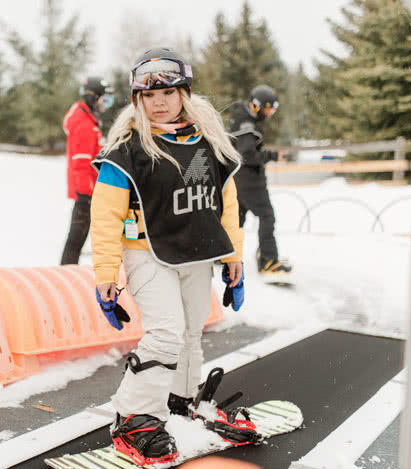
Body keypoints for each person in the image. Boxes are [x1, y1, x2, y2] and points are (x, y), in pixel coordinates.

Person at [90, 47, 246, 466]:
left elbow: (225, 205)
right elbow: (104, 218)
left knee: (192, 332)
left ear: (185, 93)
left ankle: (179, 404)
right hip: (148, 254)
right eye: (148, 95)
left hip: (197, 252)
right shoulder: (127, 151)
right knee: (165, 334)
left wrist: (235, 258)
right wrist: (105, 274)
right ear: (136, 100)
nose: (159, 102)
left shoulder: (210, 144)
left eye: (168, 93)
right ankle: (134, 420)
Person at [229, 85, 292, 276]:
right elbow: (247, 154)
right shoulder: (247, 125)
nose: (269, 114)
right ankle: (268, 260)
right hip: (250, 182)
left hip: (239, 179)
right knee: (267, 216)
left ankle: (226, 255)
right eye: (267, 109)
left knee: (236, 219)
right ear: (256, 106)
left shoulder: (242, 119)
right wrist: (272, 156)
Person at [60, 76, 114, 265]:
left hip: (92, 189)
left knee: (79, 236)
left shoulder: (90, 121)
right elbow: (81, 162)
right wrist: (85, 194)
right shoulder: (84, 124)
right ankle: (66, 275)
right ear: (92, 97)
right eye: (104, 100)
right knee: (76, 238)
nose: (105, 105)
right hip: (86, 192)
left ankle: (68, 271)